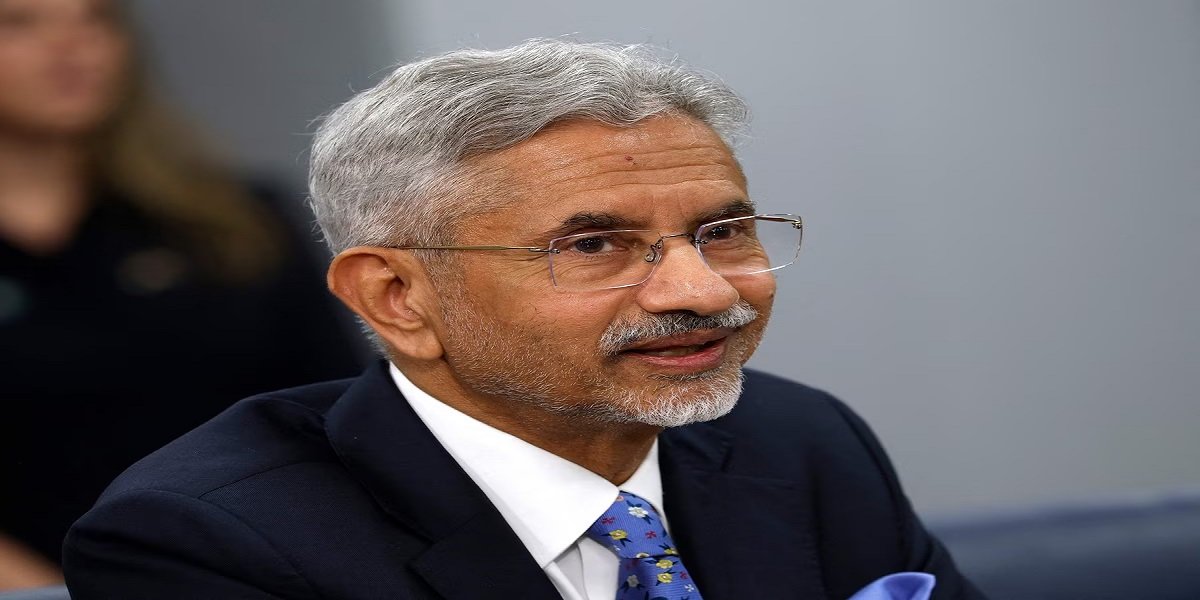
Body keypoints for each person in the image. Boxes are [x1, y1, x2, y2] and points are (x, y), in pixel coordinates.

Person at [62, 39, 985, 599]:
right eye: (594, 245)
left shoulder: (802, 441)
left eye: (724, 232)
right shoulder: (210, 543)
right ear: (397, 298)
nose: (702, 291)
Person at [0, 0, 362, 588]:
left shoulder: (233, 223)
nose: (70, 45)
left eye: (95, 19)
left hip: (257, 567)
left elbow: (337, 409)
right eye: (18, 23)